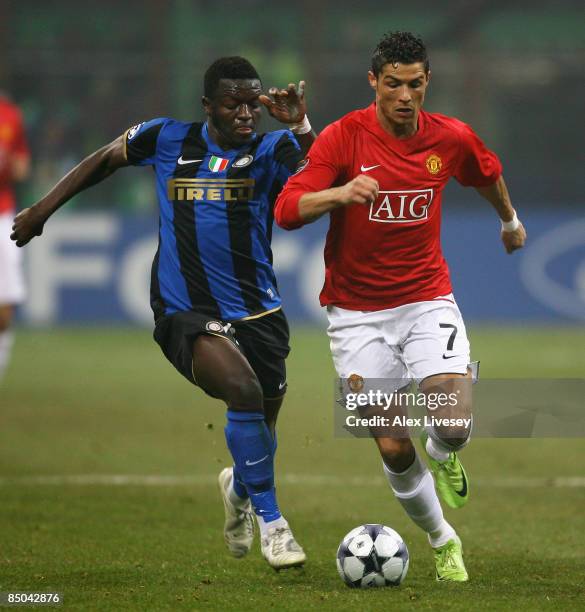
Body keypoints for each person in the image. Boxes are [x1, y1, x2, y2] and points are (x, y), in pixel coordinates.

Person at [11, 56, 316, 570]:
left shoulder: (273, 147)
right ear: (207, 107)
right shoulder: (165, 138)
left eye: (252, 102)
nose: (245, 113)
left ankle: (239, 488)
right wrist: (42, 210)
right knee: (241, 390)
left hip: (260, 313)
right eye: (232, 104)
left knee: (261, 424)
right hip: (185, 310)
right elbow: (104, 159)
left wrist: (303, 127)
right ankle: (273, 524)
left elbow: (329, 173)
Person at [274, 31, 526, 581]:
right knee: (390, 443)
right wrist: (340, 194)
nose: (405, 95)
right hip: (354, 314)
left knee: (454, 423)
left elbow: (487, 173)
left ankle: (443, 449)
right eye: (393, 84)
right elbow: (288, 208)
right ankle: (442, 539)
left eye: (415, 84)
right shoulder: (343, 138)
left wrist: (509, 221)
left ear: (427, 81)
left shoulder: (450, 137)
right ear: (374, 82)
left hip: (425, 298)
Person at [0, 92, 30, 383]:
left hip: (2, 214)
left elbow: (22, 167)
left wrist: (10, 162)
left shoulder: (10, 115)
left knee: (5, 305)